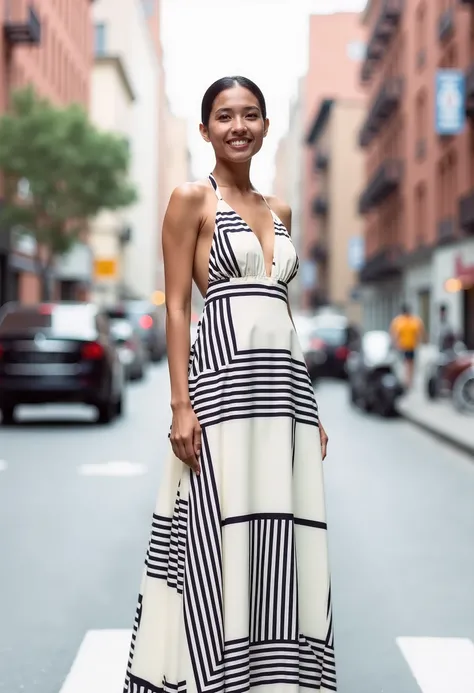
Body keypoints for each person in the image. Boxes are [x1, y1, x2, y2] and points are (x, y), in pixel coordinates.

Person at [123, 76, 336, 693]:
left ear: (266, 126)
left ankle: (274, 676)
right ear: (205, 129)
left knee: (279, 531)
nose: (238, 126)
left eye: (250, 115)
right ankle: (212, 675)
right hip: (221, 385)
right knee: (217, 528)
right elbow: (176, 308)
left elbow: (285, 313)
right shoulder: (192, 198)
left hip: (285, 395)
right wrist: (178, 405)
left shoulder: (282, 211)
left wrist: (312, 407)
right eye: (224, 116)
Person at [390, 303, 425, 389]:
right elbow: (395, 334)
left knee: (410, 364)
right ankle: (408, 381)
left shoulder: (413, 321)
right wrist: (394, 343)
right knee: (407, 364)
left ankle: (409, 381)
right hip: (403, 347)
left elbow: (420, 332)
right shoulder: (400, 321)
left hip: (411, 346)